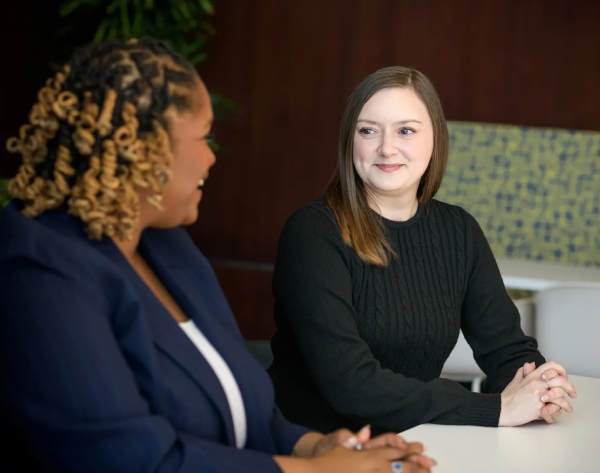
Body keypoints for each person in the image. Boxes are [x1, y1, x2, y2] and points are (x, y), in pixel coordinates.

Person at [0, 40, 436, 473]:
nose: (212, 157)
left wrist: (314, 447)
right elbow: (132, 460)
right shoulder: (41, 274)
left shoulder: (165, 243)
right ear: (145, 149)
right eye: (204, 136)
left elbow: (245, 404)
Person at [268, 66, 577, 436]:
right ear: (350, 141)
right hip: (316, 446)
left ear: (435, 139)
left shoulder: (458, 230)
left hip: (414, 442)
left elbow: (505, 348)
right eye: (368, 130)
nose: (386, 147)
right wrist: (496, 408)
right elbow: (350, 383)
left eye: (405, 130)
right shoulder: (313, 233)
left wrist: (538, 386)